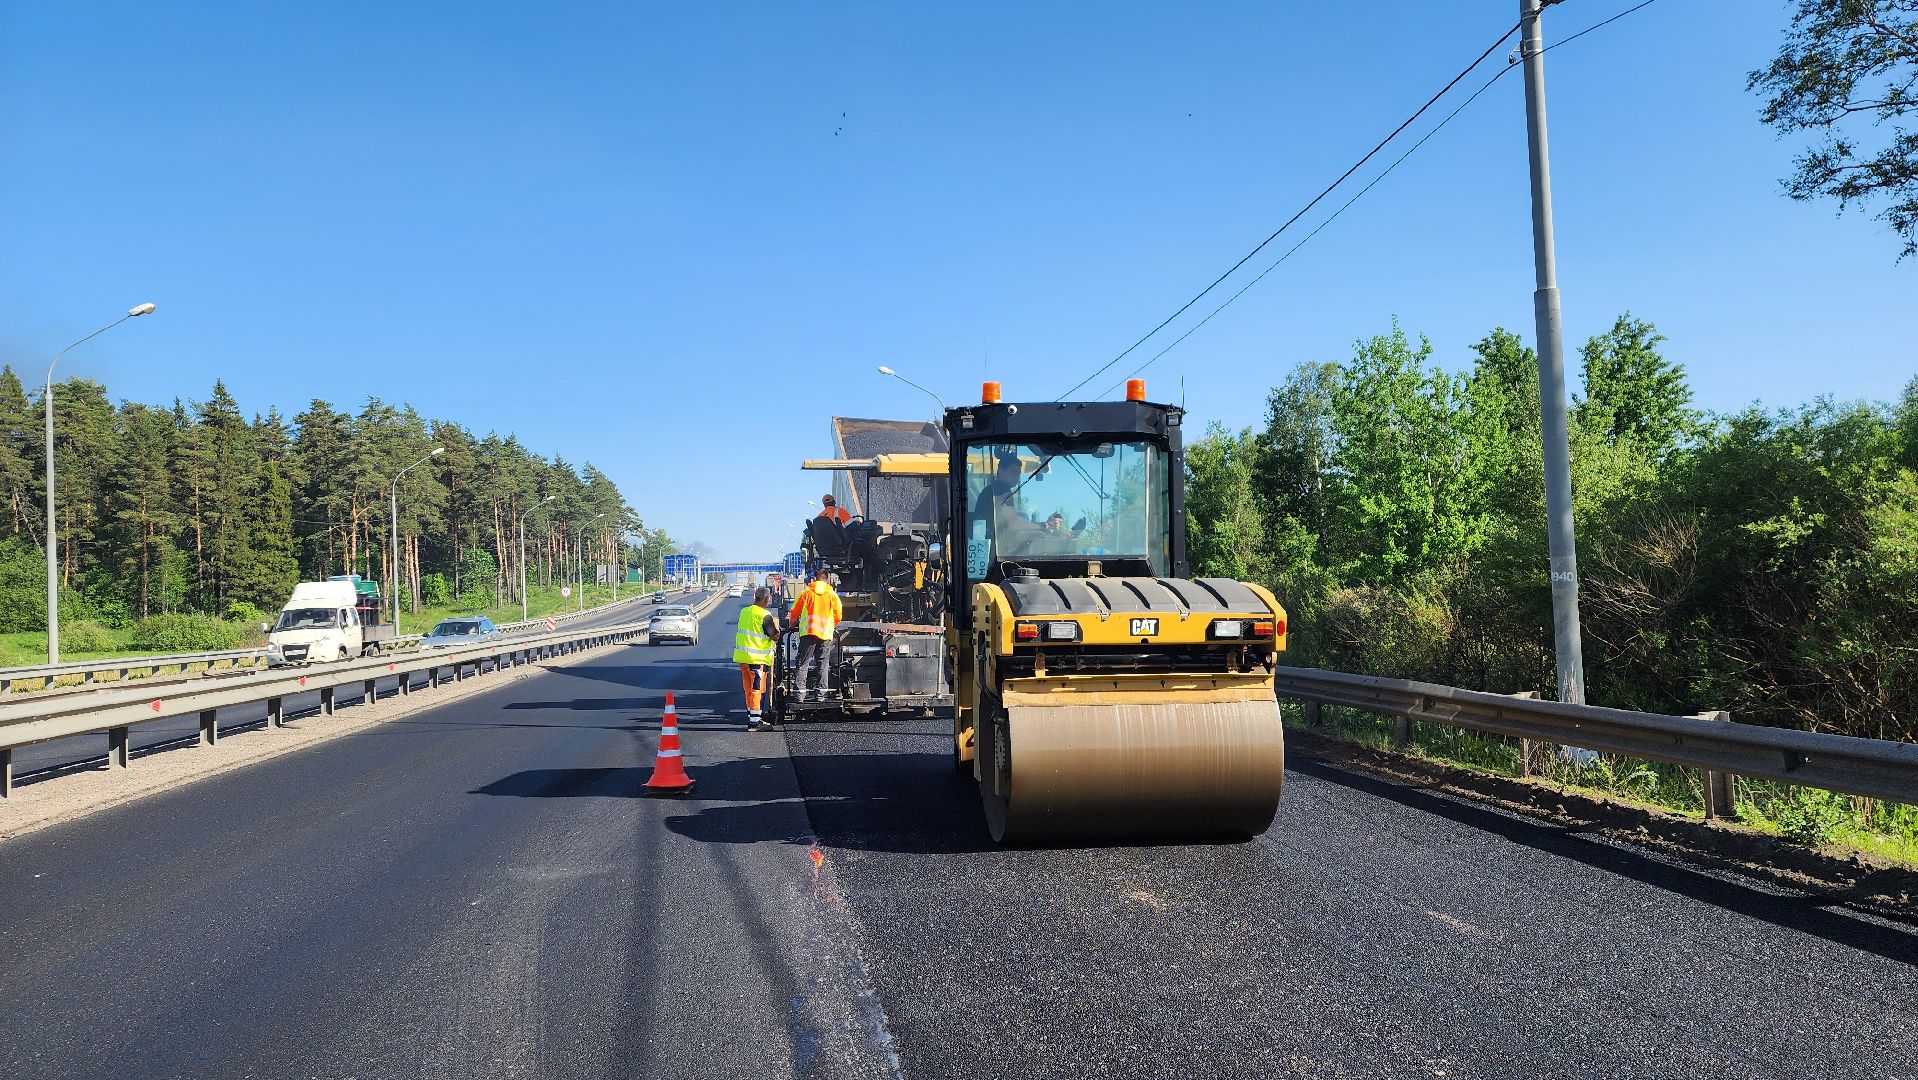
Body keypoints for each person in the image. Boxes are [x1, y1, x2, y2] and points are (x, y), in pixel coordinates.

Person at [788, 569, 843, 701]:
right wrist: (832, 625)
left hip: (808, 633)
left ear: (814, 579)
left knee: (803, 663)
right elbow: (838, 615)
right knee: (823, 664)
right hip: (826, 634)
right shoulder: (832, 595)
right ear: (827, 580)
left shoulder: (806, 593)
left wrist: (791, 624)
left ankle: (799, 695)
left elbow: (794, 612)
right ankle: (820, 695)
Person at [733, 586, 780, 730]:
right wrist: (776, 626)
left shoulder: (744, 612)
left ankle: (752, 715)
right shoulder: (764, 616)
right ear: (767, 599)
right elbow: (774, 636)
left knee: (748, 688)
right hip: (756, 660)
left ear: (755, 597)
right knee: (756, 690)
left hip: (743, 658)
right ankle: (754, 722)